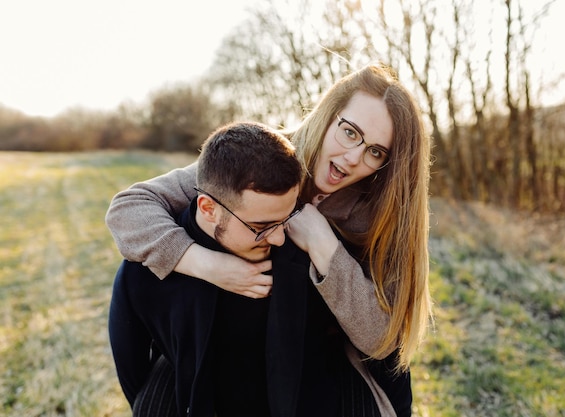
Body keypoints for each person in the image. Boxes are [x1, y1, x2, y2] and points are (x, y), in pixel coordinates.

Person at [106, 63, 431, 412]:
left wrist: (326, 247)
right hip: (222, 356)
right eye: (350, 132)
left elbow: (380, 339)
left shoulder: (379, 217)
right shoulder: (263, 158)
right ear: (329, 114)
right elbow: (129, 208)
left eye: (375, 152)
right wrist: (211, 265)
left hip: (319, 372)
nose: (353, 158)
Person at [110, 121, 346, 416]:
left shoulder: (301, 256)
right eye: (261, 227)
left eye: (285, 218)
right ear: (209, 209)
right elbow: (133, 368)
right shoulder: (149, 266)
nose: (278, 238)